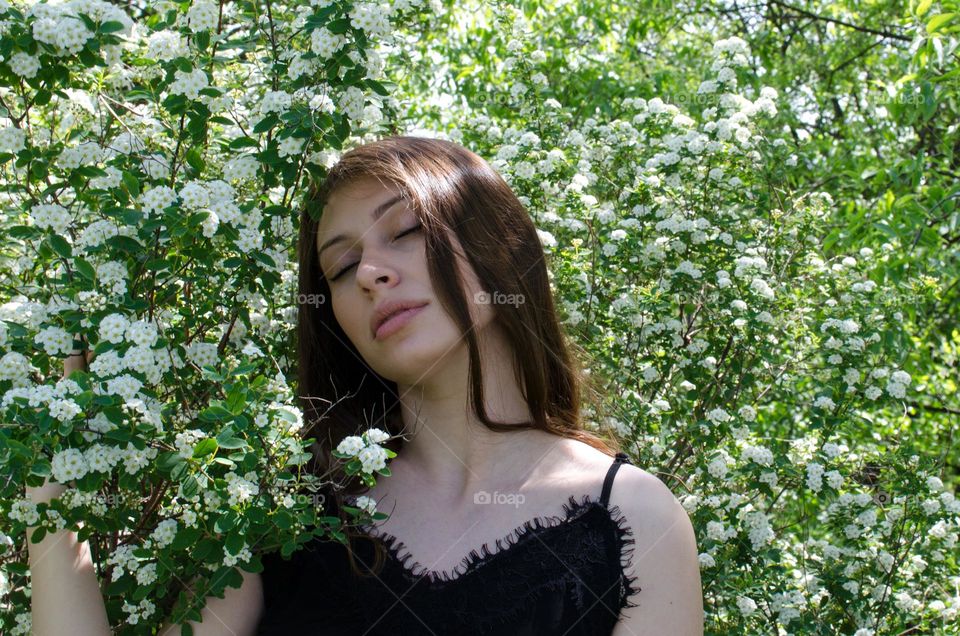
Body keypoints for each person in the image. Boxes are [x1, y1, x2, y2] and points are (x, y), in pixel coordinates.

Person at [26, 136, 704, 635]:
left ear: (503, 250)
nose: (372, 273)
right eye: (342, 267)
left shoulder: (635, 522)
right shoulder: (290, 515)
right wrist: (50, 482)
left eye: (405, 230)